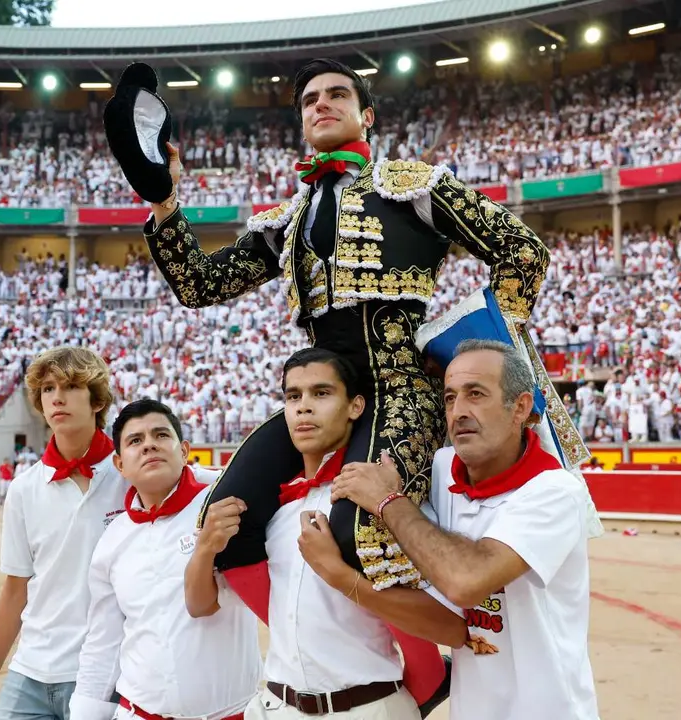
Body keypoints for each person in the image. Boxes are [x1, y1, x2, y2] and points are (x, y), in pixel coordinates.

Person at [127, 57, 583, 599]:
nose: (322, 104)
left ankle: (423, 673)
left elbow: (522, 250)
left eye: (337, 95)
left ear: (367, 116)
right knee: (223, 522)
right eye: (310, 99)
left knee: (361, 533)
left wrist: (480, 345)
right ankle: (302, 663)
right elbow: (199, 286)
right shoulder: (288, 219)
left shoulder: (413, 187)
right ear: (301, 123)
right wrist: (164, 201)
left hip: (403, 390)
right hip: (324, 395)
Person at [185, 348, 466, 719]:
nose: (303, 407)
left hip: (369, 707)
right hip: (277, 707)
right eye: (293, 396)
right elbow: (201, 606)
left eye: (321, 393)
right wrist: (204, 549)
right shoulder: (273, 513)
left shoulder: (384, 506)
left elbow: (444, 624)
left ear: (355, 406)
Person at [330, 340, 599, 720]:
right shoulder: (441, 467)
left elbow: (466, 582)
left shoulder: (555, 491)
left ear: (521, 407)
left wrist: (389, 501)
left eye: (476, 394)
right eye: (451, 397)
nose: (459, 411)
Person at [0, 347, 127, 720]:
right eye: (48, 388)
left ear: (96, 399)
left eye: (70, 386)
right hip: (30, 670)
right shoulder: (24, 489)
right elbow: (15, 590)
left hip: (105, 674)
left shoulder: (130, 476)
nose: (56, 397)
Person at [68, 399, 256, 720]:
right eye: (135, 441)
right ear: (119, 464)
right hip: (139, 712)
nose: (149, 446)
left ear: (183, 451)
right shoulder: (112, 541)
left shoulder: (224, 504)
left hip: (231, 713)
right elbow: (103, 641)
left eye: (161, 435)